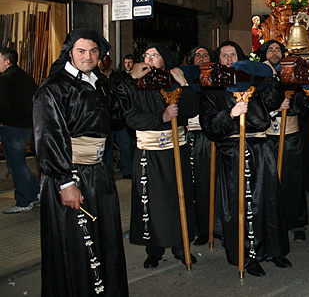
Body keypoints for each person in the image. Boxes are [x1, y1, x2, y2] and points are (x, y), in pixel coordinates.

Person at [33, 29, 129, 296]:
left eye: (94, 51)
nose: (88, 56)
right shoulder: (54, 87)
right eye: (81, 51)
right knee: (75, 245)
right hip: (71, 174)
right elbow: (48, 136)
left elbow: (118, 116)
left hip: (99, 173)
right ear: (70, 52)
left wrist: (120, 83)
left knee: (106, 239)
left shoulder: (97, 82)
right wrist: (65, 182)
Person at [200, 41, 290, 277]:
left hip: (261, 147)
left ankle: (273, 250)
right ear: (219, 61)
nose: (229, 59)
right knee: (243, 203)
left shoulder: (253, 82)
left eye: (233, 54)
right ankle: (249, 255)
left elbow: (272, 101)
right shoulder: (212, 88)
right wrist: (230, 114)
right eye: (224, 55)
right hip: (233, 150)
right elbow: (208, 124)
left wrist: (271, 78)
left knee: (268, 199)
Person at [126, 43, 199, 268]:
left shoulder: (173, 81)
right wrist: (162, 117)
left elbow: (192, 109)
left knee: (178, 199)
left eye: (155, 55)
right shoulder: (137, 86)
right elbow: (129, 116)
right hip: (149, 153)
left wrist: (184, 84)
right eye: (146, 55)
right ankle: (154, 249)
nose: (149, 59)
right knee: (152, 202)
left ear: (164, 60)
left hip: (176, 150)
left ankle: (180, 245)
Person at [259, 39, 309, 241]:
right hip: (268, 137)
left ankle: (297, 224)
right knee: (271, 182)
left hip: (291, 136)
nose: (274, 52)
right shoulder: (260, 77)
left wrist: (293, 103)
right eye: (270, 49)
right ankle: (273, 222)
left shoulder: (292, 76)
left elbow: (303, 107)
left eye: (277, 49)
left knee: (293, 180)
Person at [0, 47, 40, 214]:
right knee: (20, 163)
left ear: (7, 61)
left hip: (12, 126)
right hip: (27, 125)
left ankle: (24, 199)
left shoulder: (5, 79)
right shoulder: (26, 77)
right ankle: (35, 192)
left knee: (16, 164)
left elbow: (4, 105)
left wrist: (3, 121)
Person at [185, 45, 216, 246]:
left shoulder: (215, 78)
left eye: (206, 55)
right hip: (187, 137)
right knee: (190, 185)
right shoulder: (184, 79)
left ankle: (208, 228)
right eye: (198, 55)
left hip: (207, 138)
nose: (202, 57)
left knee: (207, 184)